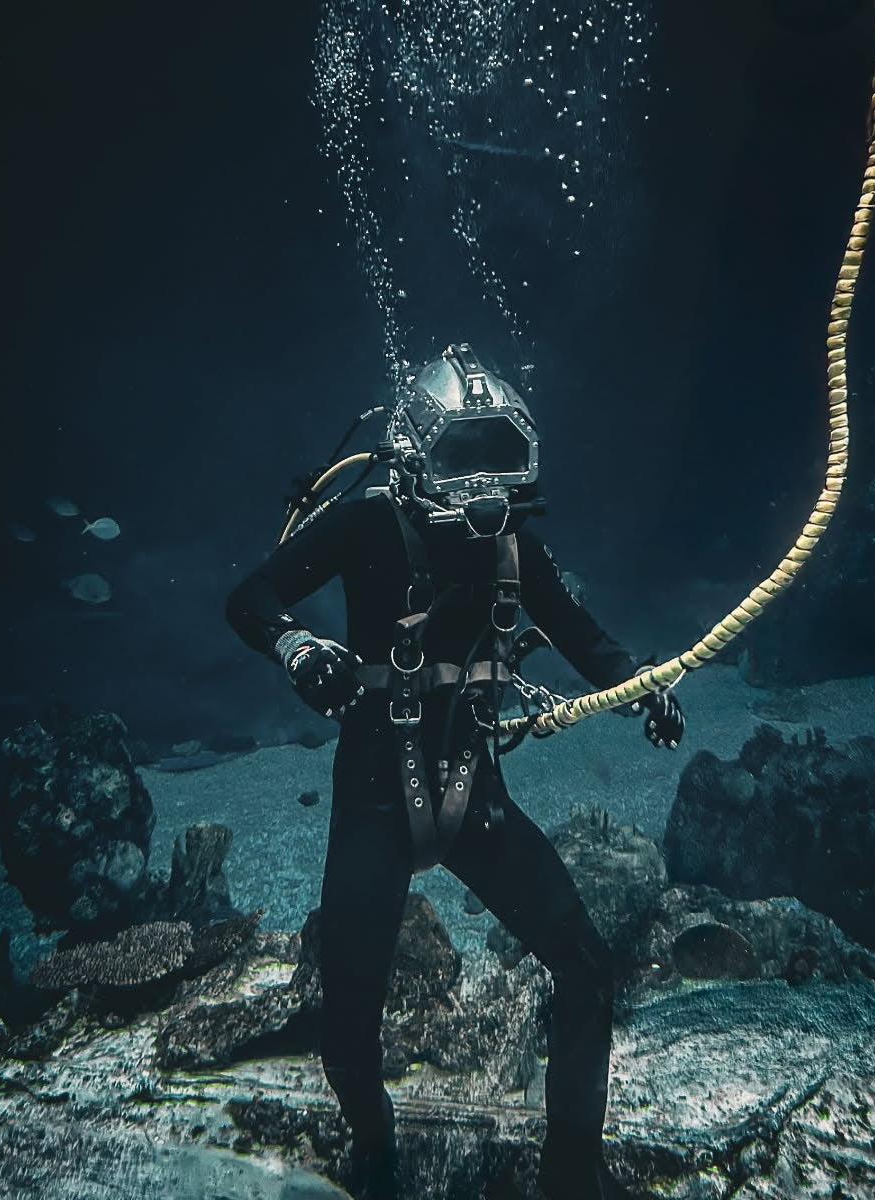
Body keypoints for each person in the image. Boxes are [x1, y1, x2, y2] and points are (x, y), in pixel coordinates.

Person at [226, 343, 684, 1199]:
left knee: (587, 968)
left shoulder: (516, 545)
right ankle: (376, 1151)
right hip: (373, 801)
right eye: (460, 458)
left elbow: (591, 645)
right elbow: (250, 596)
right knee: (347, 1019)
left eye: (499, 460)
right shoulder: (365, 523)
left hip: (479, 803)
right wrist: (294, 647)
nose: (483, 487)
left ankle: (572, 1179)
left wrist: (646, 688)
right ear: (413, 455)